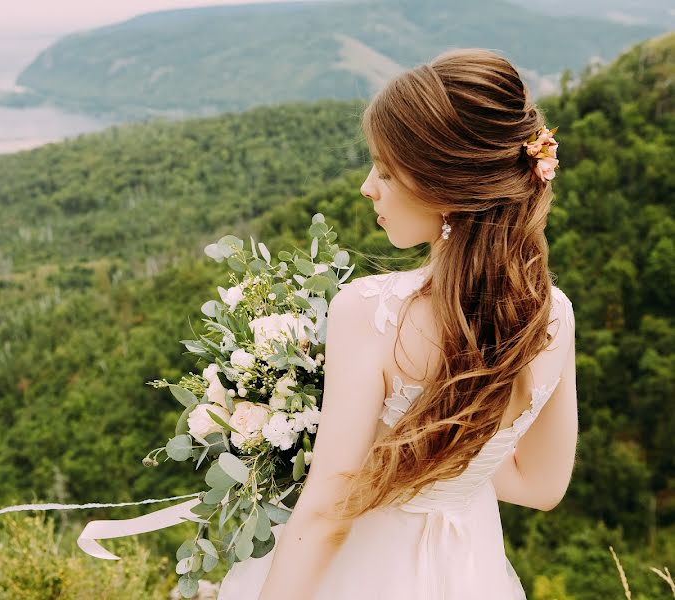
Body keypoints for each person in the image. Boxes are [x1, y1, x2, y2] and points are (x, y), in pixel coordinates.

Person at [216, 48, 577, 600]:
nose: (367, 186)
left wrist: (379, 459)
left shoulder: (369, 310)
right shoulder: (553, 315)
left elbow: (327, 517)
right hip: (471, 576)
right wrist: (444, 461)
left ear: (447, 185)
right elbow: (542, 485)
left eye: (386, 170)